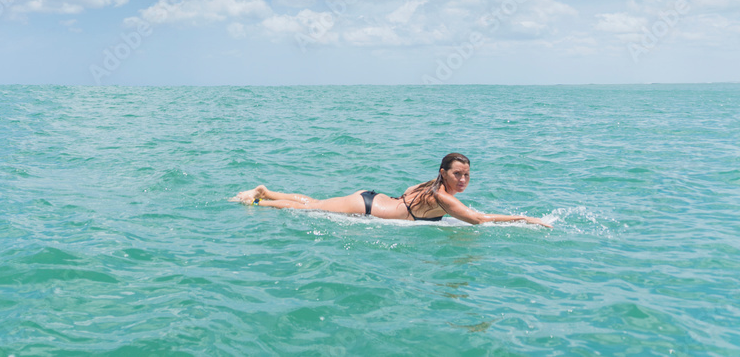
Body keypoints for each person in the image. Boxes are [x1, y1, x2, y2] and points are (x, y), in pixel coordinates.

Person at [229, 152, 553, 227]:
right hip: (368, 208)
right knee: (309, 209)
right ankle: (256, 203)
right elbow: (479, 220)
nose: (464, 180)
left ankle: (268, 192)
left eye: (468, 175)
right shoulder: (442, 197)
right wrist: (525, 218)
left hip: (371, 198)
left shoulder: (432, 185)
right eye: (458, 174)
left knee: (315, 202)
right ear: (445, 173)